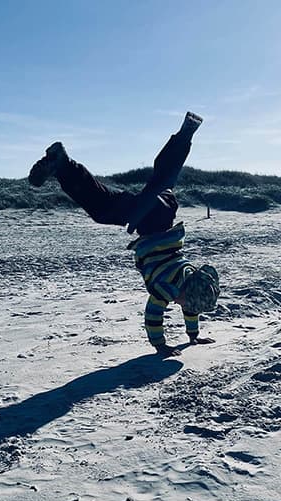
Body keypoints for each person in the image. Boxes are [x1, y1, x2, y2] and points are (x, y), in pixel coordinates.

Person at [28, 112, 219, 357]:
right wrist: (160, 347)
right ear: (184, 294)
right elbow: (153, 315)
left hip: (157, 217)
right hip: (154, 220)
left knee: (117, 202)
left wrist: (194, 337)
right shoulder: (167, 288)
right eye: (186, 304)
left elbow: (191, 310)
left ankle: (63, 165)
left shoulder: (188, 281)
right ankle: (64, 166)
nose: (184, 307)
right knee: (145, 188)